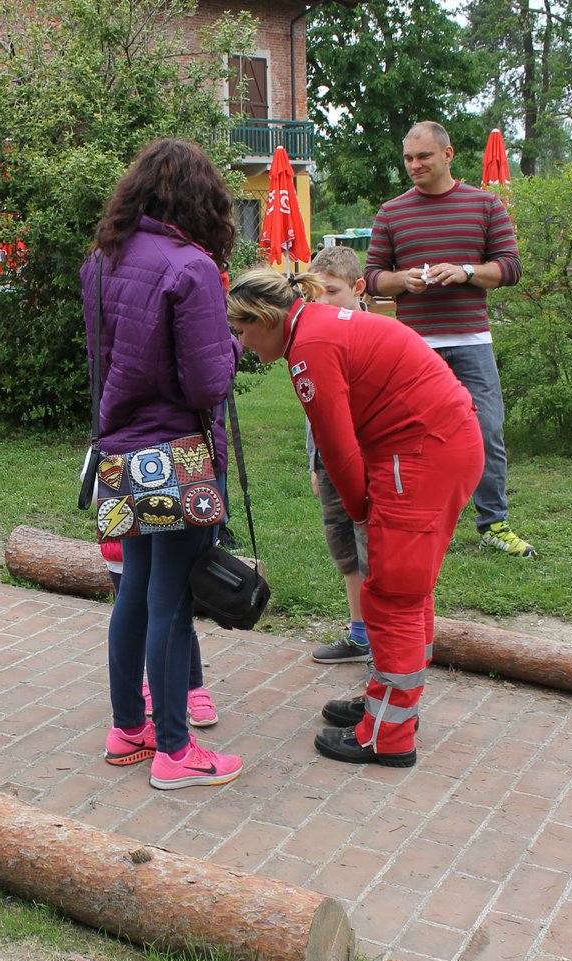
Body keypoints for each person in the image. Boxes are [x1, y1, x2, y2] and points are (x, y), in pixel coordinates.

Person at [226, 268, 483, 768]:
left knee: (392, 594)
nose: (242, 343)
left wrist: (363, 513)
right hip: (437, 445)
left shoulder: (310, 349)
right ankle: (389, 703)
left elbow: (338, 450)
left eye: (242, 329)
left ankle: (388, 735)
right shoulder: (317, 326)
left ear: (265, 318)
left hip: (420, 455)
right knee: (405, 590)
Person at [83, 138, 243, 790]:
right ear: (199, 199)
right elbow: (208, 383)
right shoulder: (192, 267)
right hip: (177, 454)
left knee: (136, 593)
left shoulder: (103, 260)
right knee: (173, 605)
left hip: (120, 450)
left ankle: (129, 728)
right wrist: (232, 346)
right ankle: (176, 752)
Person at [363, 120, 534, 557]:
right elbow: (371, 279)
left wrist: (467, 272)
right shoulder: (391, 212)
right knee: (411, 438)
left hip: (472, 341)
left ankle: (494, 525)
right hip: (415, 347)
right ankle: (416, 520)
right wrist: (403, 281)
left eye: (423, 157)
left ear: (448, 155)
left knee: (486, 431)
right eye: (408, 159)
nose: (415, 165)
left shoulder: (485, 205)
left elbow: (511, 268)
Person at [304, 245, 370, 665]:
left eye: (332, 291)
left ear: (358, 288)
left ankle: (386, 639)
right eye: (315, 293)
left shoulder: (370, 336)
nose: (322, 301)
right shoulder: (316, 337)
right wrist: (314, 461)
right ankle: (360, 634)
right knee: (345, 550)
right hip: (329, 463)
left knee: (375, 552)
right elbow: (314, 409)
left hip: (368, 463)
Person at [99, 540, 217, 727]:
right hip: (125, 533)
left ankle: (192, 685)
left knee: (173, 617)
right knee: (137, 612)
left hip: (172, 530)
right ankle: (140, 693)